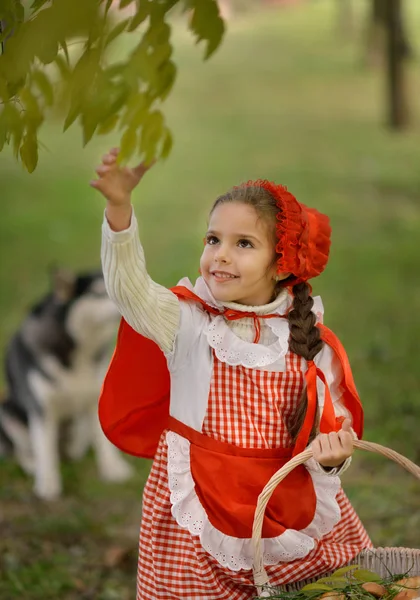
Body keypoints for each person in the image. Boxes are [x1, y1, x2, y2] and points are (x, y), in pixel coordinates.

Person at [91, 147, 373, 600]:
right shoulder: (187, 324)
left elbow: (334, 432)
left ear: (283, 263)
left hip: (285, 513)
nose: (220, 256)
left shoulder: (311, 344)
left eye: (243, 243)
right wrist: (119, 208)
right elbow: (129, 290)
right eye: (212, 239)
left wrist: (334, 455)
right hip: (196, 524)